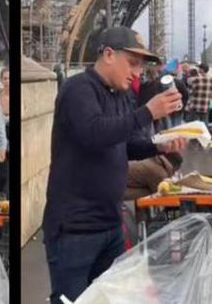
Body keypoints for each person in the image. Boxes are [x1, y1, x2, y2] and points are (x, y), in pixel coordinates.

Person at [42, 26, 187, 304]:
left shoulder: (120, 95)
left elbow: (125, 143)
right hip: (75, 228)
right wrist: (148, 112)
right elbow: (94, 134)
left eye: (141, 66)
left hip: (110, 223)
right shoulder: (78, 89)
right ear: (109, 54)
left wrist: (159, 145)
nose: (138, 72)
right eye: (132, 63)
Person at [0, 67, 10, 197]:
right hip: (0, 139)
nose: (7, 81)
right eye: (5, 78)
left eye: (9, 78)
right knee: (2, 172)